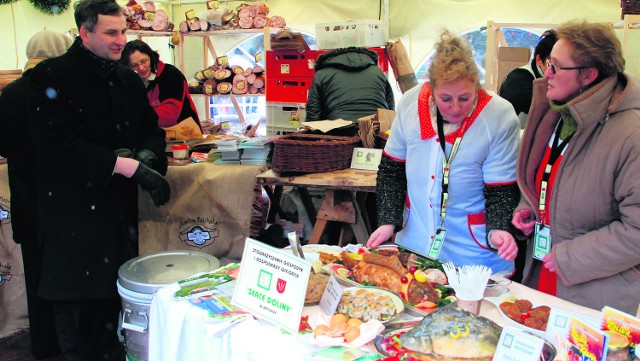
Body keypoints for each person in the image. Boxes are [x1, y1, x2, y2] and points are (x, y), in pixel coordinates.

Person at [26, 0, 170, 359]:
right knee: (76, 328)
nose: (121, 40)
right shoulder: (51, 77)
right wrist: (125, 167)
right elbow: (55, 145)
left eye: (123, 31)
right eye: (111, 32)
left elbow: (150, 131)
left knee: (112, 320)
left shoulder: (126, 79)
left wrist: (149, 155)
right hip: (71, 223)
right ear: (85, 33)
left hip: (117, 222)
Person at [367, 29, 520, 276]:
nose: (456, 107)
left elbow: (500, 188)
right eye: (446, 98)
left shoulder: (499, 115)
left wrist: (499, 229)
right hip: (417, 241)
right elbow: (392, 170)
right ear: (431, 87)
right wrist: (388, 220)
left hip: (472, 248)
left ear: (477, 87)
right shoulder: (409, 104)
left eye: (465, 97)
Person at [511, 20, 640, 314]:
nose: (548, 74)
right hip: (541, 273)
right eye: (547, 64)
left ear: (588, 75)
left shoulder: (631, 135)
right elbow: (550, 180)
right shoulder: (558, 113)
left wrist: (571, 256)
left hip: (592, 293)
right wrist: (527, 207)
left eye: (556, 67)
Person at [0, 29, 72, 360]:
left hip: (28, 203)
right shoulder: (64, 90)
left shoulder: (10, 93)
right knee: (69, 282)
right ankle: (69, 346)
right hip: (64, 203)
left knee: (37, 280)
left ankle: (45, 348)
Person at [306, 46, 395, 136]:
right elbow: (390, 106)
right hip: (376, 131)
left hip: (338, 134)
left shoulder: (321, 74)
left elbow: (313, 112)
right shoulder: (378, 72)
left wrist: (313, 137)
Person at [120, 39, 202, 131]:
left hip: (185, 135)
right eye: (134, 65)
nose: (141, 68)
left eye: (144, 61)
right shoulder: (131, 80)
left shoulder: (171, 74)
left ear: (151, 57)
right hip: (153, 135)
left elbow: (170, 114)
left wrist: (135, 118)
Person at [498, 29, 557, 130]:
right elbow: (544, 110)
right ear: (539, 60)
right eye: (552, 65)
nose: (558, 72)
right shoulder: (519, 79)